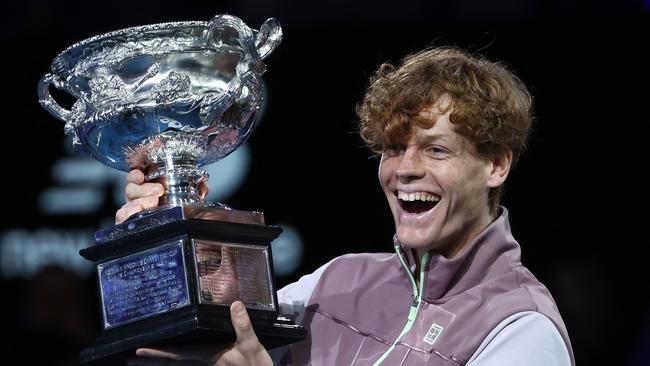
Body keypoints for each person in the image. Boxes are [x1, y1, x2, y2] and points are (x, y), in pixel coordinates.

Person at [120, 46, 575, 365]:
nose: (406, 169)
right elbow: (182, 342)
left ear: (495, 165)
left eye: (436, 150)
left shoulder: (521, 328)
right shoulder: (333, 284)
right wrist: (170, 238)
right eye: (394, 148)